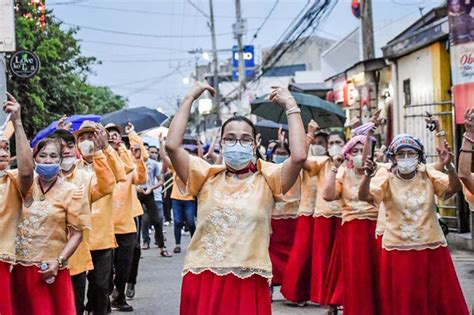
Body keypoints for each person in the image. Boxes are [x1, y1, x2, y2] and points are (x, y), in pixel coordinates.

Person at [166, 82, 306, 315]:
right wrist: (190, 97)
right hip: (203, 275)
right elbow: (172, 145)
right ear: (221, 143)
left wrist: (291, 105)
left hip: (248, 277)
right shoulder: (205, 176)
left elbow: (299, 156)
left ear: (254, 144)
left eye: (244, 139)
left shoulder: (268, 178)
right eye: (230, 138)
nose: (237, 144)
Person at [359, 134, 468, 315]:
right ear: (393, 157)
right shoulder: (386, 177)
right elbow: (364, 196)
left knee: (436, 300)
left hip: (431, 247)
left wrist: (449, 167)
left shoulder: (428, 172)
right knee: (404, 302)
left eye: (411, 153)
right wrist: (367, 177)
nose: (406, 158)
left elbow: (453, 188)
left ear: (419, 156)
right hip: (397, 249)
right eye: (401, 154)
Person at [11, 137, 90, 315]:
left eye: (53, 156)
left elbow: (77, 234)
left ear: (60, 160)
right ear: (34, 159)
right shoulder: (20, 186)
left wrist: (58, 261)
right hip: (18, 268)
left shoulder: (72, 191)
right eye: (43, 155)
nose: (47, 160)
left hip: (50, 270)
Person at [50, 126, 116, 315]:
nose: (65, 151)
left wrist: (100, 152)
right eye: (60, 147)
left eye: (69, 146)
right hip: (45, 257)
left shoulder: (85, 178)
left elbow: (107, 185)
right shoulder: (40, 178)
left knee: (78, 304)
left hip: (76, 256)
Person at [322, 134, 382, 315]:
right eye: (354, 151)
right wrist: (335, 167)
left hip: (376, 226)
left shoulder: (381, 171)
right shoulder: (343, 173)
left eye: (362, 151)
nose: (358, 155)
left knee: (377, 272)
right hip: (352, 229)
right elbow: (327, 195)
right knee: (356, 274)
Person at [74, 120, 127, 315]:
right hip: (77, 239)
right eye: (83, 138)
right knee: (76, 289)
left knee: (100, 287)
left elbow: (121, 174)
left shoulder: (107, 160)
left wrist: (104, 148)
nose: (88, 142)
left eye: (92, 137)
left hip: (101, 237)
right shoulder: (71, 166)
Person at [105, 123, 147, 312]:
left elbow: (140, 178)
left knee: (126, 263)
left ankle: (120, 295)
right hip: (103, 223)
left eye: (116, 134)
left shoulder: (128, 159)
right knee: (104, 267)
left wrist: (132, 136)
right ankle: (103, 296)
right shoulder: (99, 159)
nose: (113, 137)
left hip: (126, 220)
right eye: (109, 135)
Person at [0, 93, 34, 315]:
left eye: (6, 148)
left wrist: (18, 123)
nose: (4, 153)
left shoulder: (11, 181)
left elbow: (27, 171)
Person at [161, 142, 197, 254]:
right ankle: (177, 245)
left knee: (191, 222)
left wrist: (199, 145)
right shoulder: (175, 167)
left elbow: (201, 157)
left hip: (189, 199)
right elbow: (164, 157)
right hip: (176, 198)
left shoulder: (193, 168)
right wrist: (161, 143)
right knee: (177, 221)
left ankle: (194, 243)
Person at [138, 145, 170, 257]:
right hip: (136, 192)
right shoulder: (131, 162)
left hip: (149, 192)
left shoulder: (153, 164)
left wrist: (151, 187)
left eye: (142, 150)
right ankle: (140, 246)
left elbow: (161, 181)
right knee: (138, 222)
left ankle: (162, 247)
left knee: (157, 220)